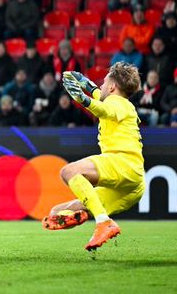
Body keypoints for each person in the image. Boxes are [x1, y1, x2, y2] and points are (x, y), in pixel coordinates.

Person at [44, 64, 143, 251]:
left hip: (122, 163)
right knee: (56, 212)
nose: (101, 86)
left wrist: (82, 99)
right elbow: (97, 94)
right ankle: (88, 219)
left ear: (112, 87)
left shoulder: (117, 103)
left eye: (104, 82)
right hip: (133, 186)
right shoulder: (118, 102)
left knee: (68, 172)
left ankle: (104, 222)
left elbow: (104, 110)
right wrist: (82, 81)